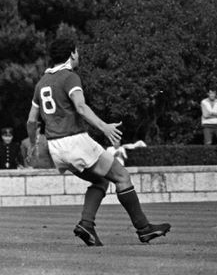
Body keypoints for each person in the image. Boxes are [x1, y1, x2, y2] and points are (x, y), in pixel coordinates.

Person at [26, 36, 169, 246]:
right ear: (72, 53)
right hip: (75, 142)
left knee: (100, 181)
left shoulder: (41, 83)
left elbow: (31, 120)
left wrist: (32, 145)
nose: (78, 55)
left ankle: (86, 224)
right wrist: (104, 127)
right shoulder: (69, 77)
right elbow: (81, 107)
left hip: (56, 148)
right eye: (77, 51)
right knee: (122, 176)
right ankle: (143, 228)